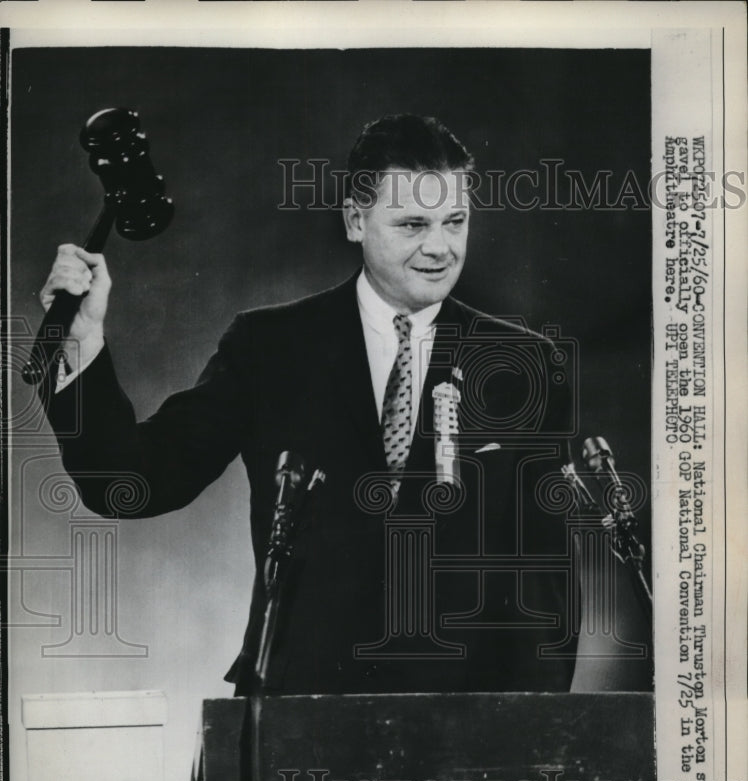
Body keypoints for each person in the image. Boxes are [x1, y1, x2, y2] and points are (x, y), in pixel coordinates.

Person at [39, 114, 578, 696]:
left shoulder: (524, 365)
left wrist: (530, 732)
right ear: (355, 221)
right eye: (412, 224)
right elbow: (129, 482)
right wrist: (81, 340)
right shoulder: (270, 346)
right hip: (296, 714)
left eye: (455, 222)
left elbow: (547, 583)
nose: (439, 247)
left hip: (464, 725)